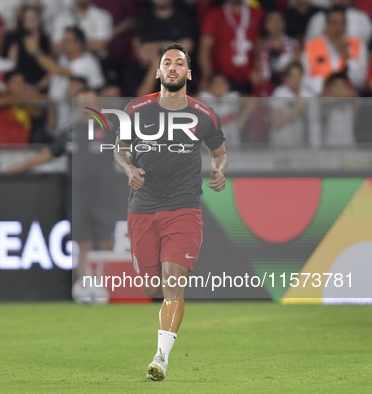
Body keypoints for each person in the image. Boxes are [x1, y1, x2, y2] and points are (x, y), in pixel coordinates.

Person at [113, 43, 227, 381]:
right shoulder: (136, 110)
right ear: (159, 72)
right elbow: (119, 151)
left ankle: (160, 358)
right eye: (167, 63)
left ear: (189, 73)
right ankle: (161, 340)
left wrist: (219, 169)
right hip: (143, 209)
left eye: (180, 63)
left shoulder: (204, 115)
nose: (173, 67)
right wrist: (128, 169)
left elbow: (219, 152)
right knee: (152, 288)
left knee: (173, 285)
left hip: (184, 208)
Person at [8, 89, 118, 292]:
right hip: (77, 198)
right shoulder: (70, 131)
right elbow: (49, 152)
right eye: (83, 105)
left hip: (104, 198)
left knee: (107, 243)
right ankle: (86, 289)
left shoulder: (111, 129)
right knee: (82, 244)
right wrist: (22, 166)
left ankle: (110, 288)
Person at [199, 0, 264, 94]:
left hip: (249, 80)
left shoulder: (257, 14)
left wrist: (257, 70)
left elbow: (261, 46)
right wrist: (207, 77)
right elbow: (205, 49)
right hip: (222, 81)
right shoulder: (215, 15)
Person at [302, 6, 368, 96]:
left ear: (346, 24)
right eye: (334, 23)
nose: (338, 27)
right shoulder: (311, 46)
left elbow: (359, 81)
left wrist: (346, 55)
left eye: (341, 22)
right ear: (327, 25)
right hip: (319, 97)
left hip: (348, 98)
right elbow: (304, 79)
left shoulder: (358, 45)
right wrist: (328, 86)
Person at [0, 70, 47, 145]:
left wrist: (27, 95)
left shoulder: (28, 99)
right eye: (16, 83)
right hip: (0, 144)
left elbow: (44, 98)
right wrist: (19, 96)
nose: (20, 86)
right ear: (7, 85)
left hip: (21, 144)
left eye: (22, 83)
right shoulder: (0, 95)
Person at [252, 10, 301, 97]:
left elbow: (298, 69)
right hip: (266, 89)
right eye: (272, 20)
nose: (276, 23)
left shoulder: (294, 45)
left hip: (287, 89)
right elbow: (256, 71)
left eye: (279, 20)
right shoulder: (261, 45)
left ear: (284, 23)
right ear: (265, 25)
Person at [269, 61, 318, 147]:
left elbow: (313, 123)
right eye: (293, 76)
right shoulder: (280, 93)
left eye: (298, 76)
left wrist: (304, 111)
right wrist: (295, 110)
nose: (296, 80)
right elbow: (276, 123)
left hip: (299, 143)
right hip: (281, 143)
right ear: (286, 78)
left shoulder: (308, 94)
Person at [5, 6, 51, 92]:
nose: (29, 22)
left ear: (39, 20)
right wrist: (22, 85)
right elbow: (12, 68)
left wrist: (38, 86)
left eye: (32, 18)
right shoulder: (16, 43)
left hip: (42, 89)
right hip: (21, 88)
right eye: (25, 19)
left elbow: (53, 70)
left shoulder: (48, 42)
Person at [304, 0, 372, 46]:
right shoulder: (317, 19)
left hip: (356, 64)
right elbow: (308, 46)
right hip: (322, 63)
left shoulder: (362, 18)